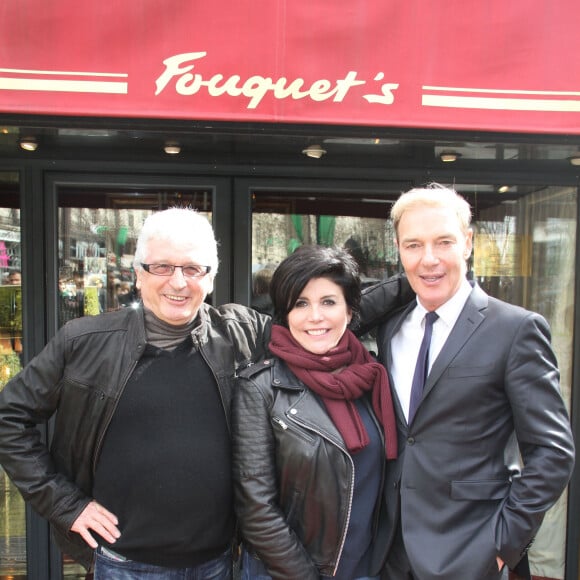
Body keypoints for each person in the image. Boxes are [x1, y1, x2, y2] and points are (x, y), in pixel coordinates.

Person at [0, 208, 272, 578]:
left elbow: (326, 321)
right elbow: (9, 419)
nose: (178, 282)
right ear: (138, 274)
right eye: (162, 267)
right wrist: (65, 505)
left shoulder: (241, 334)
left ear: (210, 279)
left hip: (220, 563)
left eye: (192, 268)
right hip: (124, 565)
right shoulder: (84, 342)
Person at [372, 185, 575, 580]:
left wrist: (502, 546)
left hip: (470, 554)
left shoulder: (516, 329)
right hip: (389, 553)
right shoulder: (391, 328)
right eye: (413, 245)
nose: (428, 259)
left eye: (443, 242)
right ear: (398, 249)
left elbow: (552, 453)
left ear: (467, 242)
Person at [232, 245, 398, 580]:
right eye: (300, 304)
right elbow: (256, 508)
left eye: (328, 302)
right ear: (286, 314)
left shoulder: (373, 377)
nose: (315, 317)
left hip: (367, 568)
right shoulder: (261, 388)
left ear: (350, 312)